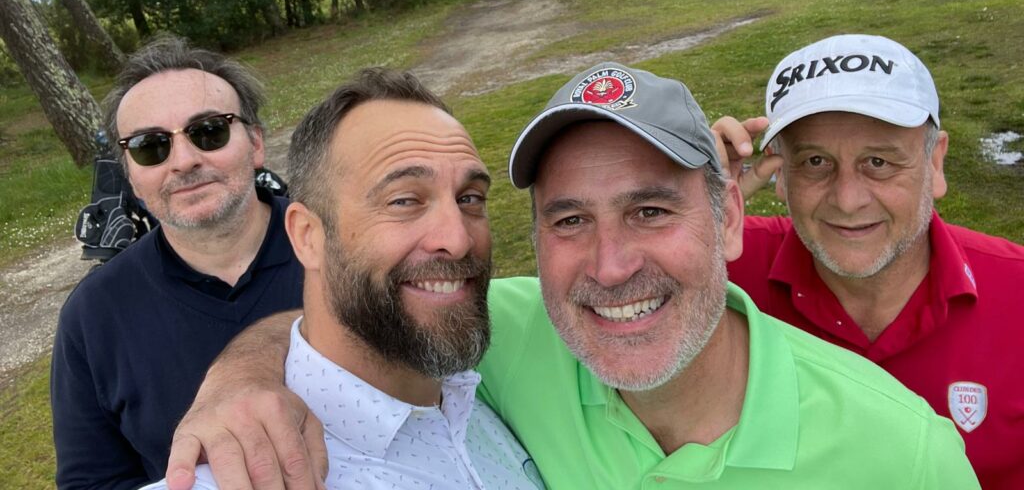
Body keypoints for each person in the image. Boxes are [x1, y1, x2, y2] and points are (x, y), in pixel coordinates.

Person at [164, 63, 979, 490]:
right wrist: (243, 376)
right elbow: (363, 312)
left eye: (651, 210)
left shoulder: (903, 455)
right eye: (569, 220)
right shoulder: (513, 332)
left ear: (729, 216)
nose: (611, 266)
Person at [142, 68, 541, 490]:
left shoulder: (492, 387)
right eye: (404, 200)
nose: (457, 240)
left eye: (470, 198)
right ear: (307, 236)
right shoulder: (237, 480)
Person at [714, 33, 1024, 490]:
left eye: (878, 162)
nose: (848, 199)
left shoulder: (1017, 292)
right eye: (815, 161)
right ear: (779, 174)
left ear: (935, 163)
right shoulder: (719, 268)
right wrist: (698, 201)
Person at [51, 36, 304, 490]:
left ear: (256, 143)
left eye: (209, 131)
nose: (184, 161)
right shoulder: (93, 315)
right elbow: (93, 481)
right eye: (150, 146)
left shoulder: (348, 246)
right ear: (130, 174)